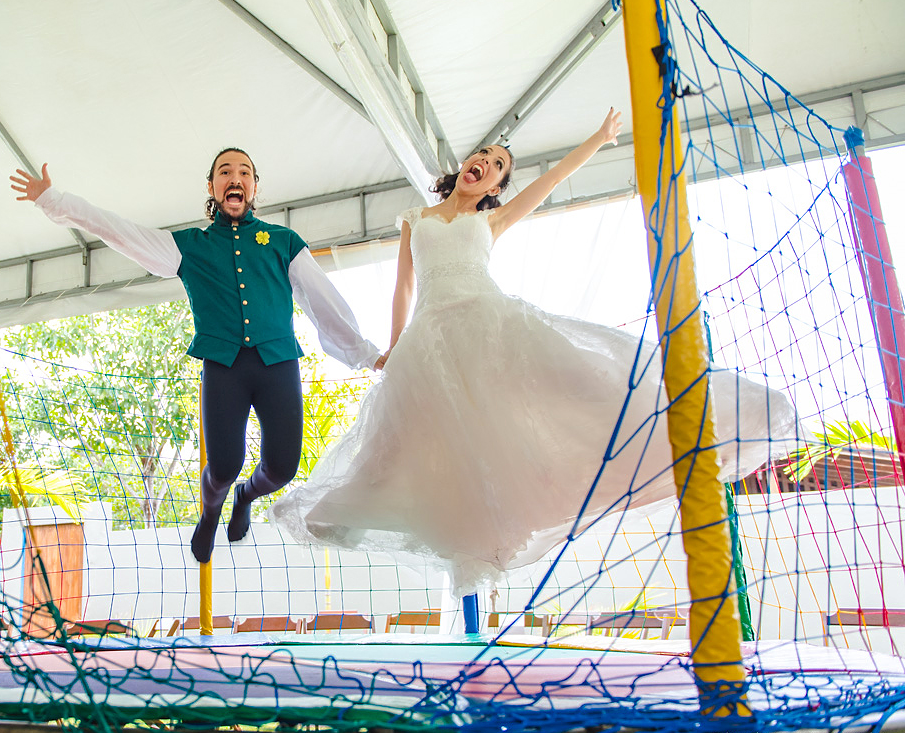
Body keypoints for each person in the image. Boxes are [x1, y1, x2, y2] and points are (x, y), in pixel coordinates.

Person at [270, 110, 799, 595]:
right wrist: (394, 344)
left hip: (489, 324)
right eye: (483, 156)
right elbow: (403, 287)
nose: (486, 164)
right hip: (431, 339)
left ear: (498, 187)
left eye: (498, 166)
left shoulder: (491, 221)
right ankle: (348, 511)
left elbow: (553, 180)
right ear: (464, 166)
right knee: (409, 435)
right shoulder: (417, 217)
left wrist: (596, 138)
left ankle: (687, 425)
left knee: (584, 379)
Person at [10, 149, 380, 563]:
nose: (234, 178)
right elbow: (119, 231)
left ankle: (245, 495)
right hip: (224, 367)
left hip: (278, 363)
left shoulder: (283, 242)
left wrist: (366, 354)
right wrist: (55, 200)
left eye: (244, 172)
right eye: (225, 172)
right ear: (212, 187)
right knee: (222, 465)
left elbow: (322, 301)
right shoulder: (188, 246)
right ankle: (210, 510)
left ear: (255, 187)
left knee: (282, 468)